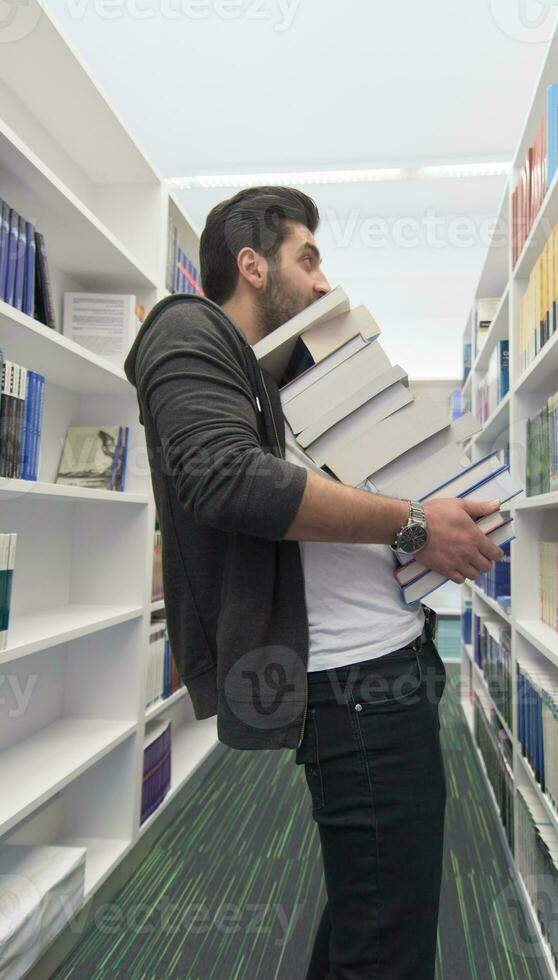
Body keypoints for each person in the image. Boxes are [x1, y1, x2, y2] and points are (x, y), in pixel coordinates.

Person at [125, 186, 504, 979]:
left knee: (375, 913)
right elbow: (226, 480)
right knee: (387, 939)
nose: (323, 280)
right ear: (251, 264)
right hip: (353, 688)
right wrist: (412, 523)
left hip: (386, 668)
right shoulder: (186, 328)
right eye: (308, 258)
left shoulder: (265, 371)